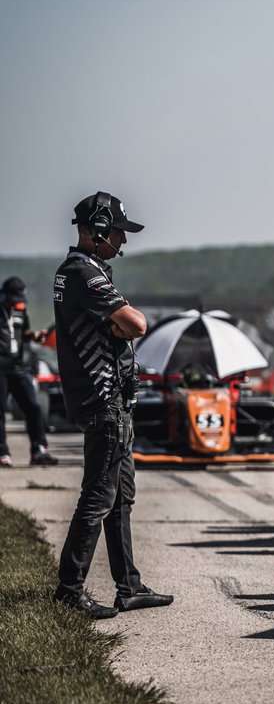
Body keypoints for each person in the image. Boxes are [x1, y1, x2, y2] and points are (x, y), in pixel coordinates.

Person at [52, 191, 173, 619]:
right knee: (99, 495)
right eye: (118, 232)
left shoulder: (81, 271)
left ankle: (129, 586)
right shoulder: (84, 273)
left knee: (120, 496)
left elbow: (122, 326)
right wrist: (121, 324)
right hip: (102, 401)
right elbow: (136, 324)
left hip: (107, 401)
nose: (123, 241)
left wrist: (117, 325)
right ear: (98, 229)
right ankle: (69, 589)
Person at [1, 277, 59, 467]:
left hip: (18, 367)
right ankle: (2, 454)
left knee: (33, 406)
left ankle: (39, 450)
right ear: (5, 295)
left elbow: (24, 332)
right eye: (15, 299)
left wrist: (34, 335)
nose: (19, 303)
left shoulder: (20, 310)